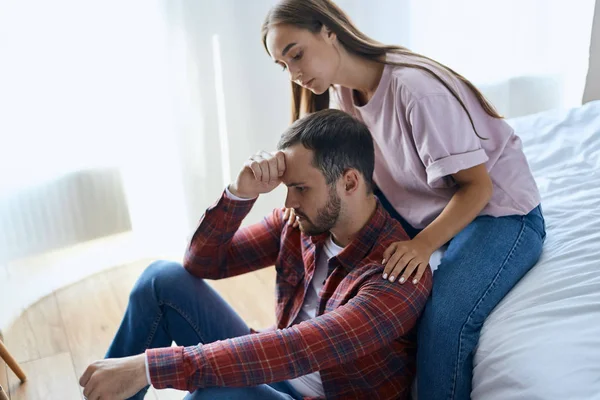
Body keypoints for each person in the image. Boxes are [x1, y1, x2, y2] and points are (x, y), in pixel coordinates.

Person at [262, 1, 547, 399]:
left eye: (296, 54)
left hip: (497, 213)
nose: (294, 72)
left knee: (445, 317)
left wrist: (422, 244)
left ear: (328, 32)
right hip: (423, 203)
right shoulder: (345, 92)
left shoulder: (415, 91)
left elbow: (478, 187)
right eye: (283, 65)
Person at [79, 109, 432, 400]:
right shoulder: (302, 222)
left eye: (301, 188)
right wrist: (240, 193)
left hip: (314, 389)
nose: (288, 202)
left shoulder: (397, 275)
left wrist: (148, 368)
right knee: (160, 279)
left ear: (350, 183)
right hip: (275, 371)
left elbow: (299, 349)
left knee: (213, 396)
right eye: (287, 187)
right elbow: (201, 263)